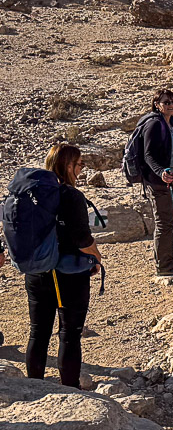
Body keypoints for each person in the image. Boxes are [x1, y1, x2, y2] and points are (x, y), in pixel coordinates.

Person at [25, 143, 103, 387]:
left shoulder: (31, 193)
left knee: (38, 332)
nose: (81, 170)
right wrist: (97, 257)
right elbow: (82, 239)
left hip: (36, 271)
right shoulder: (71, 195)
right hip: (67, 274)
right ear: (68, 165)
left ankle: (33, 388)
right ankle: (71, 390)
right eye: (79, 164)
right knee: (69, 334)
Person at [138, 87, 173, 275]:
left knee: (168, 221)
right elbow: (148, 154)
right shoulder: (154, 124)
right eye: (167, 102)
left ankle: (168, 260)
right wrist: (160, 172)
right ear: (157, 105)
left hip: (170, 177)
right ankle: (164, 266)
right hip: (158, 181)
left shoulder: (171, 122)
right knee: (164, 222)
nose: (171, 105)